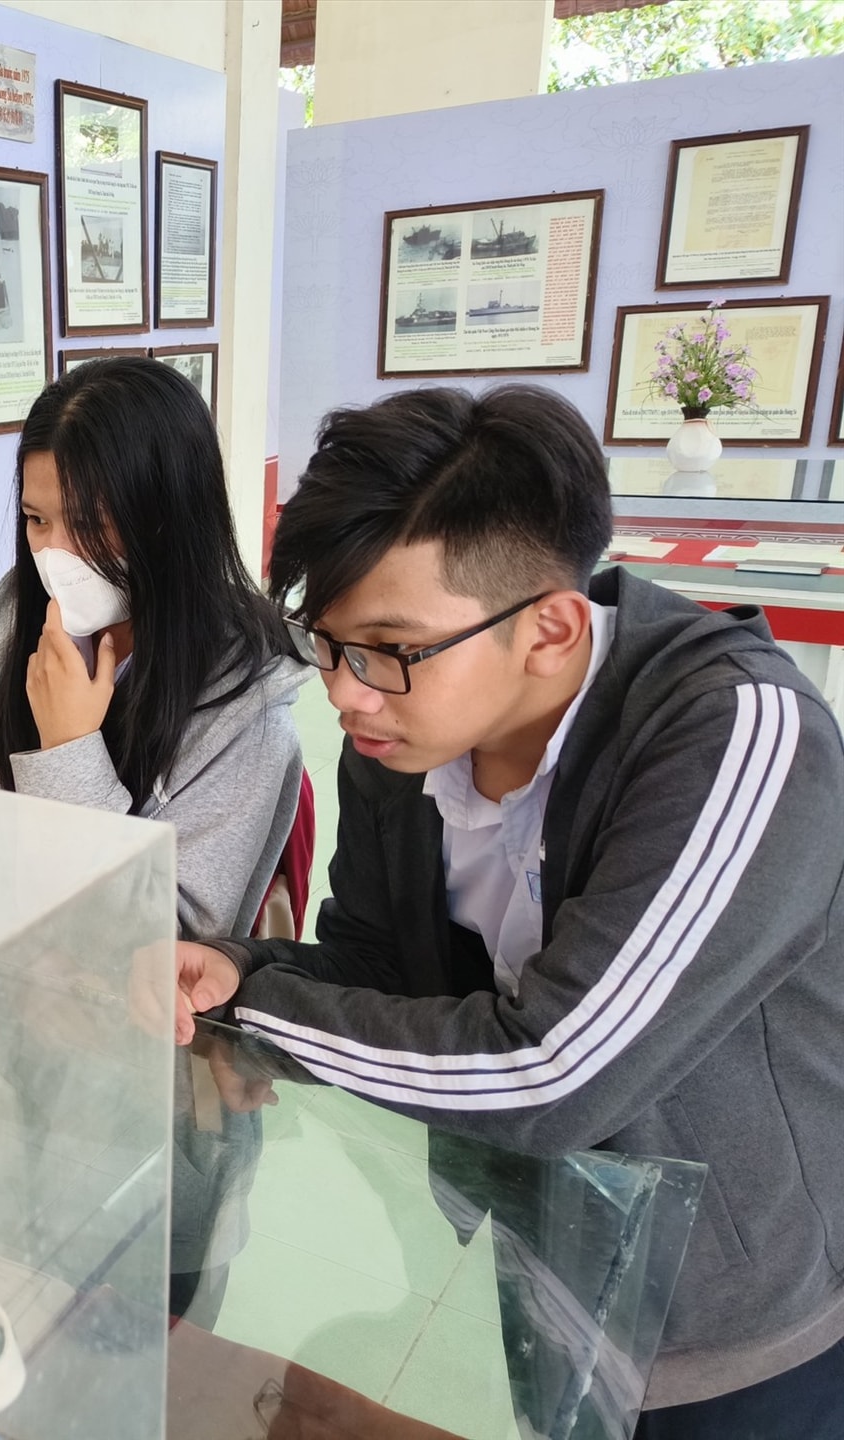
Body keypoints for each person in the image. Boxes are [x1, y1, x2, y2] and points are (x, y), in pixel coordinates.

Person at [177, 385, 844, 1438]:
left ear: (550, 626)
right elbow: (369, 960)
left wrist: (257, 1009)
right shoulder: (408, 736)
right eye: (331, 645)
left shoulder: (739, 737)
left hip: (737, 1324)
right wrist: (234, 967)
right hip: (553, 1271)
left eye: (388, 648)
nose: (348, 694)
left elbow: (555, 1073)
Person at [0, 356, 307, 1322]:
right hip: (22, 1053)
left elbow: (167, 934)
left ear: (167, 516)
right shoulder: (19, 619)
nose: (56, 552)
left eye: (89, 523)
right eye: (36, 519)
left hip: (165, 1099)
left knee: (152, 1348)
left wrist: (65, 749)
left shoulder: (243, 693)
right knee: (28, 1315)